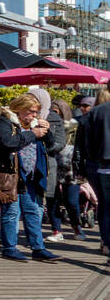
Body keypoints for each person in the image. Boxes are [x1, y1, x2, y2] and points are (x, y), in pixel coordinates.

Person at [0, 94, 57, 262]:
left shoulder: (34, 124)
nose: (34, 115)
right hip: (11, 174)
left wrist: (46, 131)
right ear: (18, 109)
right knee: (11, 212)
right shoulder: (3, 121)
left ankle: (38, 248)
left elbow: (51, 145)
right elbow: (8, 142)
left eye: (36, 112)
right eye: (31, 112)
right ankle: (9, 248)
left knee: (33, 211)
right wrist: (33, 134)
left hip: (32, 175)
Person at [46, 98, 85, 243]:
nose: (55, 115)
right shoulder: (47, 124)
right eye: (52, 112)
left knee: (72, 201)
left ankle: (76, 226)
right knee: (52, 199)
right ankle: (56, 230)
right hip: (52, 164)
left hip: (70, 166)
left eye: (57, 112)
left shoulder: (75, 126)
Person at [77, 88, 110, 258]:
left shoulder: (93, 113)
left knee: (105, 205)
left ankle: (107, 242)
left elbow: (84, 144)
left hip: (100, 164)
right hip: (101, 163)